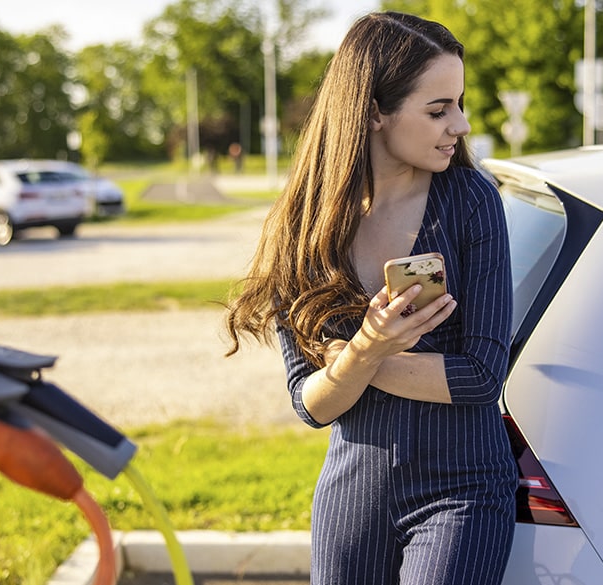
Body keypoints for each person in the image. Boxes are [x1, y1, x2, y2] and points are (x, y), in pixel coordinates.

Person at [225, 11, 515, 584]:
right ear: (374, 111)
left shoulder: (472, 201)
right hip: (352, 496)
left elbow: (482, 376)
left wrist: (361, 359)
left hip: (463, 492)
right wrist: (364, 350)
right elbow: (311, 404)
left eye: (459, 103)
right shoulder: (303, 227)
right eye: (438, 110)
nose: (460, 124)